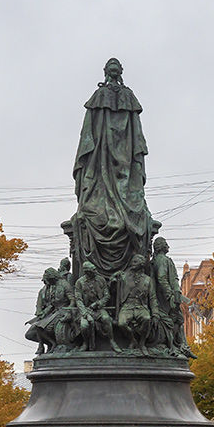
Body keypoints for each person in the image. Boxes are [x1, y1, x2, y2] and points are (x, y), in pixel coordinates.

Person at [69, 58, 157, 276]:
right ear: (120, 73)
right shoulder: (129, 99)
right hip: (110, 161)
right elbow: (136, 140)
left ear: (106, 72)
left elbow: (87, 138)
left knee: (88, 211)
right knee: (98, 209)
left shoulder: (98, 99)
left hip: (100, 159)